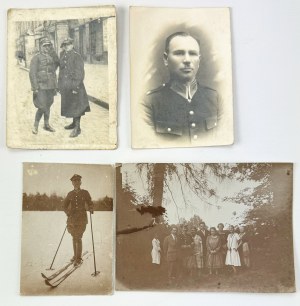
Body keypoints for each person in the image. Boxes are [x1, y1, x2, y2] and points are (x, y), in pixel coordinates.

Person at [144, 31, 220, 142]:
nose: (187, 60)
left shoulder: (216, 98)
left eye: (193, 53)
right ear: (166, 59)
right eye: (179, 53)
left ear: (199, 60)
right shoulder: (149, 102)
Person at [58, 37, 90, 137]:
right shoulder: (62, 54)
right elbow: (61, 71)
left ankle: (77, 128)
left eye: (68, 44)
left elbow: (80, 73)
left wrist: (76, 87)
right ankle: (73, 124)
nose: (66, 46)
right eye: (64, 45)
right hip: (66, 85)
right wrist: (59, 85)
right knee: (70, 105)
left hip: (75, 85)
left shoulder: (77, 56)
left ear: (72, 45)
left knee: (76, 106)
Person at [29, 37, 59, 134]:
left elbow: (53, 72)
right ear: (40, 47)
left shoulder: (51, 57)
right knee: (42, 106)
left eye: (48, 46)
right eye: (44, 46)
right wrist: (35, 87)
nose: (47, 48)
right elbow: (32, 73)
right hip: (41, 86)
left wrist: (55, 86)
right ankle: (35, 125)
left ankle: (46, 124)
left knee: (48, 105)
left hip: (50, 86)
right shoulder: (36, 58)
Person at [63, 174, 93, 266]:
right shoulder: (70, 194)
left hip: (82, 218)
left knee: (78, 237)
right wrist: (67, 212)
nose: (76, 183)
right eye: (74, 181)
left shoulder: (85, 193)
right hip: (72, 219)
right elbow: (64, 205)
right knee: (74, 237)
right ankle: (75, 255)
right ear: (72, 183)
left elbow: (90, 202)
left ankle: (78, 258)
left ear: (80, 182)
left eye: (77, 181)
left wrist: (91, 208)